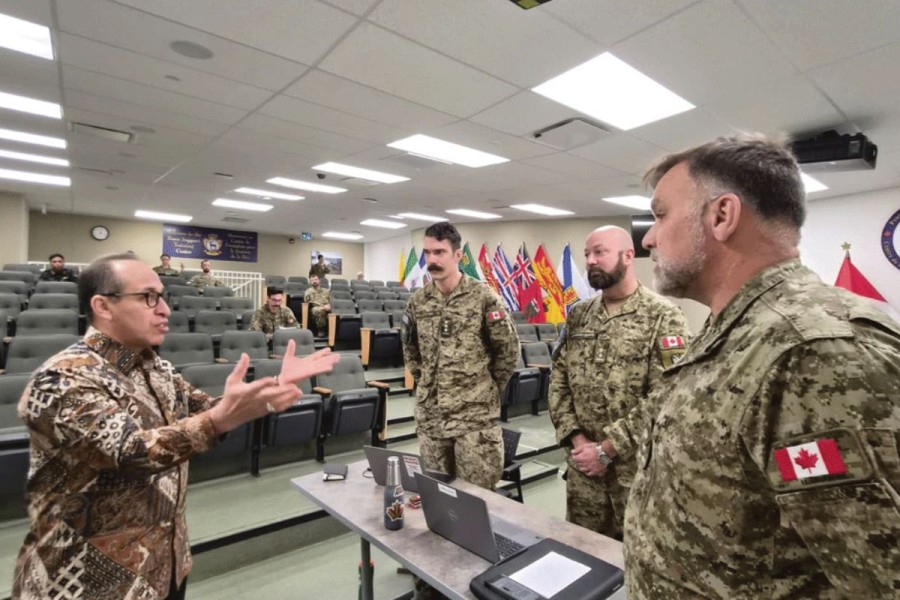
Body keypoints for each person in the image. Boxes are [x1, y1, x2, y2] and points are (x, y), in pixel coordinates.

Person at [623, 134, 900, 599]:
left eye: (660, 214)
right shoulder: (737, 328)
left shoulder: (813, 353)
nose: (648, 237)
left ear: (722, 216)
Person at [13, 252, 339, 600]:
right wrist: (219, 418)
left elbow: (209, 410)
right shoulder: (62, 377)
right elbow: (130, 452)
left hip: (163, 567)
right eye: (148, 297)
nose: (165, 309)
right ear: (103, 306)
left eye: (163, 297)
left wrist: (271, 387)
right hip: (86, 583)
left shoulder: (156, 369)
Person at [548, 226, 689, 540]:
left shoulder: (663, 316)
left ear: (628, 256)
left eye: (600, 252)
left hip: (636, 474)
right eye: (587, 254)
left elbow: (669, 396)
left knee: (639, 566)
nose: (591, 261)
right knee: (583, 558)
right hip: (583, 471)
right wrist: (578, 439)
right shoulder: (578, 316)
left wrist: (609, 449)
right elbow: (558, 381)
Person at [401, 222, 519, 490]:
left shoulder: (483, 297)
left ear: (458, 256)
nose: (432, 260)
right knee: (436, 496)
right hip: (432, 420)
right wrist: (427, 384)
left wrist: (483, 389)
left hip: (474, 421)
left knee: (476, 500)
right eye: (428, 253)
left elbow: (508, 351)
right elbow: (410, 349)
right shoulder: (418, 302)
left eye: (440, 252)